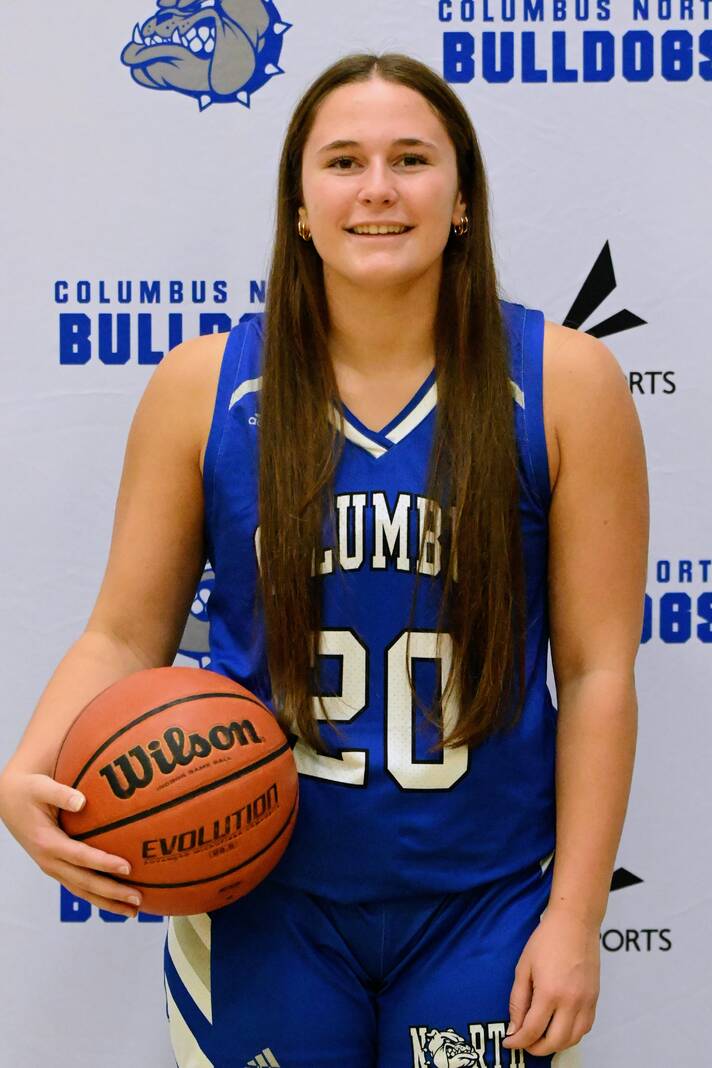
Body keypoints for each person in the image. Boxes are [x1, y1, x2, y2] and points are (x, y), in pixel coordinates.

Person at [0, 52, 648, 1068]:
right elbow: (123, 635)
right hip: (260, 896)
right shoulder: (204, 386)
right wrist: (27, 770)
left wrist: (576, 918)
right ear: (299, 206)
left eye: (411, 160)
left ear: (462, 200)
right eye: (343, 162)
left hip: (488, 901)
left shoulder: (565, 382)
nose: (377, 188)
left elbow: (599, 671)